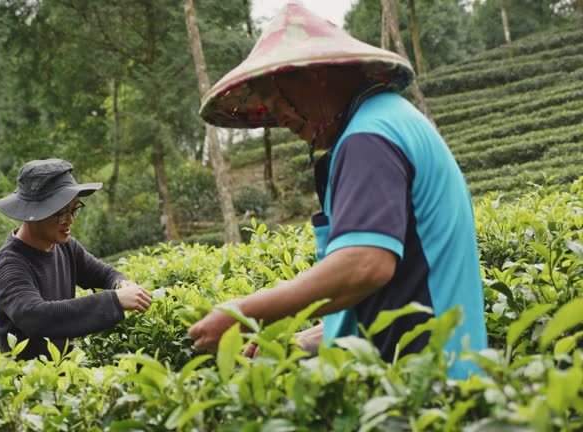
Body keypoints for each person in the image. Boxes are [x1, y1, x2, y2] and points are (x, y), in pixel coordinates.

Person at [187, 1, 487, 379]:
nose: (280, 118)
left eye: (279, 99)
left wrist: (244, 313)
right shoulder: (389, 119)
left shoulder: (368, 138)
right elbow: (393, 284)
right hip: (442, 373)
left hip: (428, 384)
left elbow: (364, 266)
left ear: (314, 75)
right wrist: (307, 340)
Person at [0, 158, 152, 360]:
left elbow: (104, 274)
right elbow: (35, 316)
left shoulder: (65, 246)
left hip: (65, 376)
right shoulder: (10, 264)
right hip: (27, 385)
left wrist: (120, 283)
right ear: (34, 213)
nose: (71, 221)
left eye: (74, 209)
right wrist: (115, 301)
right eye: (62, 214)